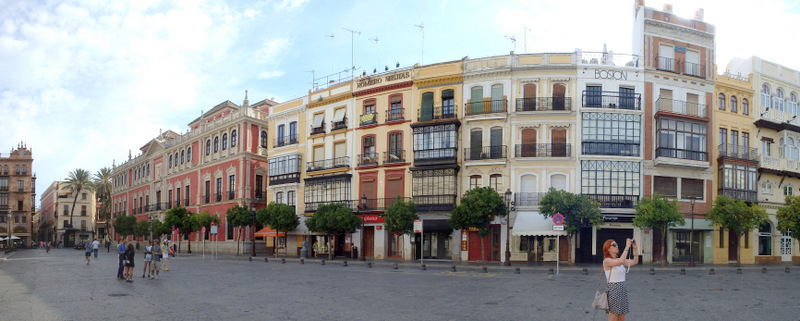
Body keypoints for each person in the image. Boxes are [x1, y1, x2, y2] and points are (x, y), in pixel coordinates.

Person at [602, 238, 639, 321]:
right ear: (608, 248)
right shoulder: (607, 261)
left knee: (622, 316)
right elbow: (621, 261)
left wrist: (635, 249)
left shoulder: (618, 260)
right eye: (614, 245)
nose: (617, 246)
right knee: (613, 316)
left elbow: (635, 261)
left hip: (622, 289)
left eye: (617, 244)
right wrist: (627, 247)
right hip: (614, 289)